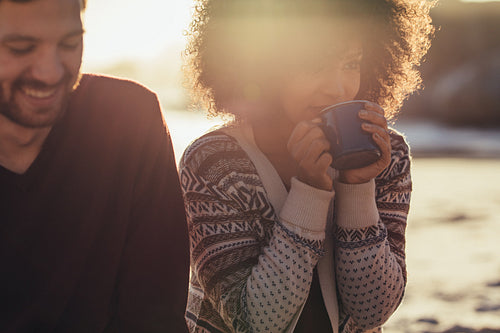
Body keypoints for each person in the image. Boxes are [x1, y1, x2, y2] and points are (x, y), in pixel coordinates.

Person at [179, 0, 435, 332]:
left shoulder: (387, 156)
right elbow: (256, 323)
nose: (338, 87)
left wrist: (357, 189)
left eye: (350, 63)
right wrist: (310, 192)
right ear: (262, 65)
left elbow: (373, 311)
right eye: (314, 65)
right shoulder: (213, 164)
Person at [0, 0, 189, 332]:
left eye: (70, 44)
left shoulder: (129, 121)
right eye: (21, 48)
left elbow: (155, 316)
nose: (51, 72)